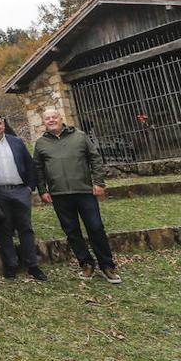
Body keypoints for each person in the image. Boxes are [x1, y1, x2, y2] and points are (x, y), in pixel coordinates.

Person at [34, 108, 121, 283]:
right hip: (59, 194)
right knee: (72, 231)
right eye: (47, 118)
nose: (51, 120)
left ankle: (107, 266)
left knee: (95, 228)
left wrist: (99, 182)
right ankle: (86, 264)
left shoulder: (79, 136)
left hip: (84, 192)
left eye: (54, 117)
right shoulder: (41, 143)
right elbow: (38, 168)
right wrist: (42, 190)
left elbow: (95, 159)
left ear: (61, 118)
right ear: (44, 122)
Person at [0, 114, 46, 282]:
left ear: (4, 125)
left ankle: (32, 265)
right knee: (4, 229)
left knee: (25, 228)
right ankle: (11, 265)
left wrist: (30, 187)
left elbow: (29, 164)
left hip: (20, 190)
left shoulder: (16, 142)